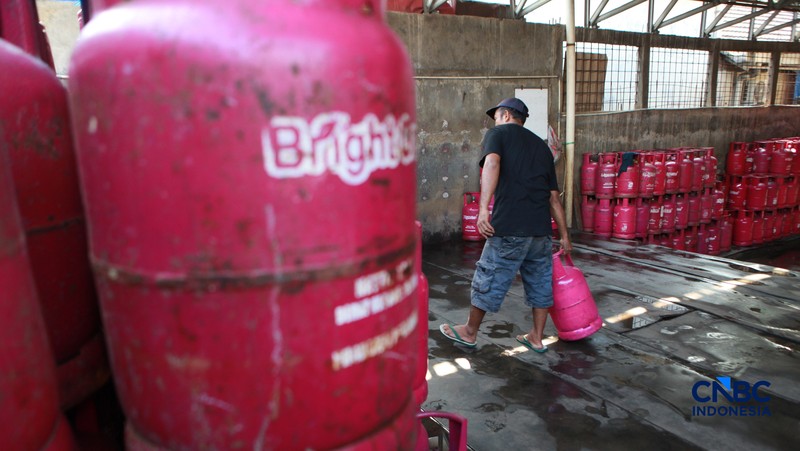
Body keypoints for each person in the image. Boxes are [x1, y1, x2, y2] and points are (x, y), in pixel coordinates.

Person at [439, 97, 572, 352]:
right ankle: (536, 336)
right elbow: (553, 198)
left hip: (510, 226)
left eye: (497, 116)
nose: (496, 121)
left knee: (489, 276)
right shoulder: (543, 148)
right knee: (541, 282)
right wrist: (565, 236)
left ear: (506, 115)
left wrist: (482, 210)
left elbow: (492, 163)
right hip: (541, 232)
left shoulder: (498, 133)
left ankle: (469, 332)